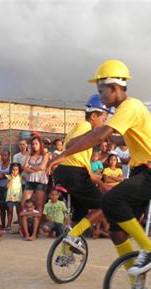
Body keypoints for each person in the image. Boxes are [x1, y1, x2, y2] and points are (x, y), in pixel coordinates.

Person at [47, 59, 151, 289]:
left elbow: (99, 135)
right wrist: (112, 138)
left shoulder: (131, 106)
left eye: (101, 90)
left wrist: (63, 154)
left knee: (109, 199)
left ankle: (149, 249)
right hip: (141, 171)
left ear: (115, 87)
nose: (101, 95)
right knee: (116, 232)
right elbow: (124, 137)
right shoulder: (123, 113)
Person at [48, 94, 111, 248]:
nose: (105, 122)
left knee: (81, 211)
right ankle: (73, 234)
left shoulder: (80, 130)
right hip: (74, 174)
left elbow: (81, 161)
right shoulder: (86, 126)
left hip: (67, 174)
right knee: (105, 205)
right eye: (104, 118)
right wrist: (95, 135)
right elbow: (71, 144)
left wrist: (100, 183)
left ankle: (67, 249)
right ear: (94, 116)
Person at [22, 136, 49, 234]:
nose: (34, 146)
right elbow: (24, 168)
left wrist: (31, 168)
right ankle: (24, 228)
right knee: (24, 203)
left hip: (40, 180)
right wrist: (34, 169)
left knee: (39, 204)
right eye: (33, 144)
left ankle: (37, 228)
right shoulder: (29, 154)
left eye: (36, 144)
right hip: (30, 180)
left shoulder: (45, 154)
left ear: (40, 144)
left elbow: (42, 167)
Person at [6, 163, 23, 231]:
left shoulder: (20, 177)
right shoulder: (9, 177)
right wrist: (12, 179)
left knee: (18, 211)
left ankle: (20, 225)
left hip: (18, 196)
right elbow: (7, 186)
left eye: (16, 170)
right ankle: (9, 225)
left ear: (19, 170)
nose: (14, 171)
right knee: (10, 211)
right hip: (10, 197)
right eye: (13, 170)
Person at [0, 150, 11, 229]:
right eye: (3, 155)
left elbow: (11, 175)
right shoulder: (0, 165)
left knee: (8, 207)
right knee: (1, 207)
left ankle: (8, 225)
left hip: (7, 188)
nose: (4, 157)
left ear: (9, 156)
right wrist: (4, 175)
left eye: (5, 155)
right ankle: (3, 225)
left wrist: (2, 175)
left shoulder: (10, 165)